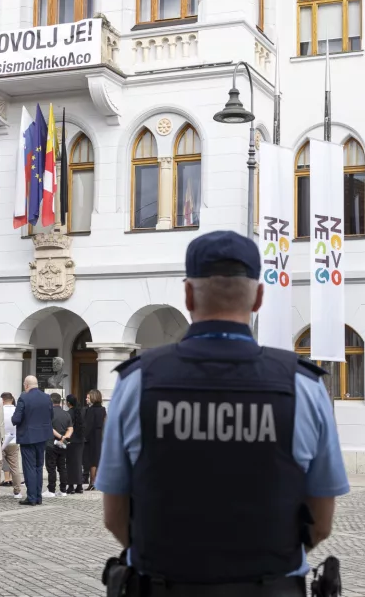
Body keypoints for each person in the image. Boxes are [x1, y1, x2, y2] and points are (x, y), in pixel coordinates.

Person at [97, 230, 349, 596]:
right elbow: (321, 523)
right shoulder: (303, 386)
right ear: (259, 297)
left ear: (187, 294)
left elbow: (114, 516)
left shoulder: (137, 381)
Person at [12, 375, 53, 506]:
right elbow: (51, 415)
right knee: (39, 467)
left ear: (26, 385)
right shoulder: (47, 397)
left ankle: (31, 497)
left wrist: (13, 419)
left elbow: (16, 419)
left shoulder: (24, 397)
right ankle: (38, 497)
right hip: (42, 437)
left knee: (29, 467)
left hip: (28, 437)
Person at [44, 392, 72, 498]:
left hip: (51, 444)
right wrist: (65, 438)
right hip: (63, 445)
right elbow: (71, 428)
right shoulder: (66, 414)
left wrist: (60, 437)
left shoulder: (48, 413)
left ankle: (51, 490)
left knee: (51, 468)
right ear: (60, 401)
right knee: (62, 467)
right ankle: (63, 490)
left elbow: (49, 429)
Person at [0, 392, 23, 498]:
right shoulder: (17, 411)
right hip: (13, 441)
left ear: (2, 400)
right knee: (15, 467)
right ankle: (17, 491)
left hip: (1, 441)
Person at [82, 389, 106, 491]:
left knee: (92, 461)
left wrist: (84, 437)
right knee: (97, 459)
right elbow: (106, 423)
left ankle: (92, 482)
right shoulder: (103, 409)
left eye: (88, 397)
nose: (86, 399)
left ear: (93, 397)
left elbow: (88, 426)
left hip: (91, 437)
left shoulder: (90, 410)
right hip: (100, 436)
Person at [64, 394, 85, 494]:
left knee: (70, 464)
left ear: (68, 403)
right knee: (78, 463)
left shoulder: (68, 413)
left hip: (71, 440)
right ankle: (79, 485)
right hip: (80, 440)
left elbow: (66, 427)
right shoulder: (81, 412)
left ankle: (71, 486)